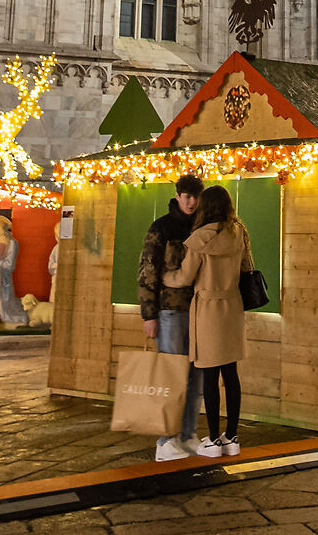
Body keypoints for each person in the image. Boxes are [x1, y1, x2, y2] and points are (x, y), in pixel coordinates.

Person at [162, 183, 252, 457]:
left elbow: (185, 277)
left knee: (210, 375)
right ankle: (232, 438)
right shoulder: (240, 232)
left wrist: (165, 278)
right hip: (233, 307)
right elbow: (248, 267)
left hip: (208, 309)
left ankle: (212, 439)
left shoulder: (200, 238)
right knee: (231, 374)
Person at [138, 172, 206, 461]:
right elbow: (147, 270)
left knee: (196, 376)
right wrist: (148, 314)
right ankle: (165, 441)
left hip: (200, 312)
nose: (191, 202)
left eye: (195, 196)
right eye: (186, 196)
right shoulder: (162, 227)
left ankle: (188, 434)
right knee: (171, 377)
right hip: (169, 312)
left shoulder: (203, 227)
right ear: (177, 196)